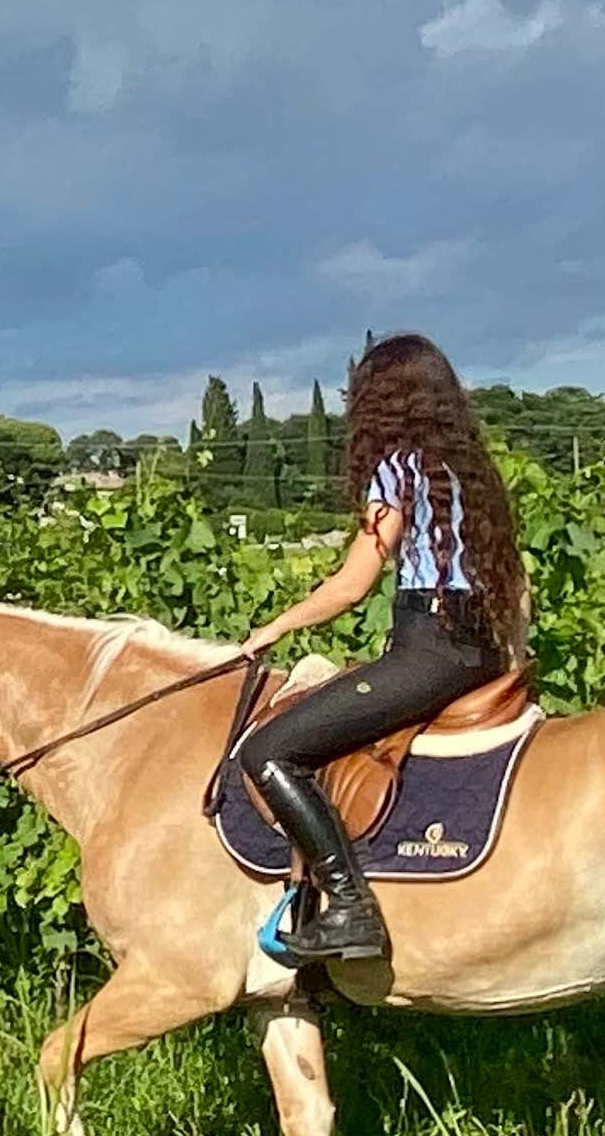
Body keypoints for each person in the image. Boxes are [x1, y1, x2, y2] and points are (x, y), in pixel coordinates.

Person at [227, 332, 533, 965]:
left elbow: (352, 584)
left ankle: (348, 906)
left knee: (269, 749)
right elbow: (518, 588)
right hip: (481, 652)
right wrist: (513, 659)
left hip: (427, 652)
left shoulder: (396, 470)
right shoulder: (473, 475)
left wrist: (273, 629)